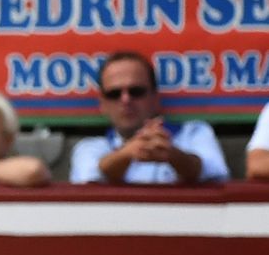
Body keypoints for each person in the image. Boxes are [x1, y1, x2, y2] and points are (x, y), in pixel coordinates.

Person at [68, 50, 230, 184]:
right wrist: (127, 153)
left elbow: (215, 175)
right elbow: (90, 179)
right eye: (114, 94)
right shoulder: (89, 148)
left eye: (136, 91)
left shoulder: (195, 133)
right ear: (102, 104)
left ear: (155, 97)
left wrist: (173, 155)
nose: (126, 100)